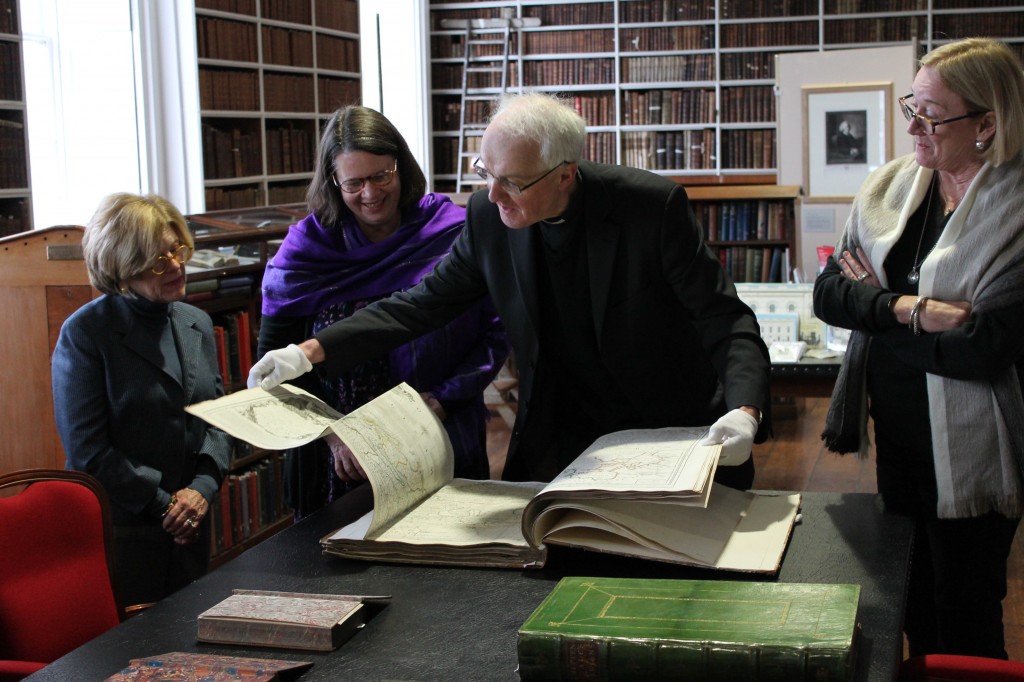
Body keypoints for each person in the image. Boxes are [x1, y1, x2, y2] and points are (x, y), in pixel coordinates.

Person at [250, 92, 771, 488]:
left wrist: (745, 411)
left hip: (667, 426)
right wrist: (309, 351)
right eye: (485, 172)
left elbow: (726, 319)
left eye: (512, 182)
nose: (492, 194)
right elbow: (419, 306)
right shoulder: (487, 217)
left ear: (565, 175)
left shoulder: (650, 210)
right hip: (561, 430)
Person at [813, 38, 1024, 659]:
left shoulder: (1017, 209)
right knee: (905, 598)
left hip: (979, 449)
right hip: (900, 438)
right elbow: (828, 294)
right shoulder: (889, 189)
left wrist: (873, 314)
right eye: (913, 104)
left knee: (966, 610)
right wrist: (909, 310)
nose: (911, 125)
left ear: (988, 123)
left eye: (931, 113)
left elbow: (983, 350)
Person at [256, 105, 509, 517]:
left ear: (401, 166)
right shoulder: (304, 253)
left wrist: (444, 400)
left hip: (439, 435)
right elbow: (275, 372)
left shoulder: (451, 231)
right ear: (333, 181)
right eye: (354, 182)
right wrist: (333, 434)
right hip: (338, 463)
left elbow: (495, 332)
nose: (370, 194)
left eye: (381, 176)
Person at [52, 192, 231, 607]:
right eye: (157, 260)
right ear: (122, 268)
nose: (176, 266)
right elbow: (87, 450)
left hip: (192, 524)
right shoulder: (85, 335)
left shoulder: (197, 322)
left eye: (177, 249)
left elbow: (219, 417)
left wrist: (202, 490)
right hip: (125, 531)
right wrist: (166, 504)